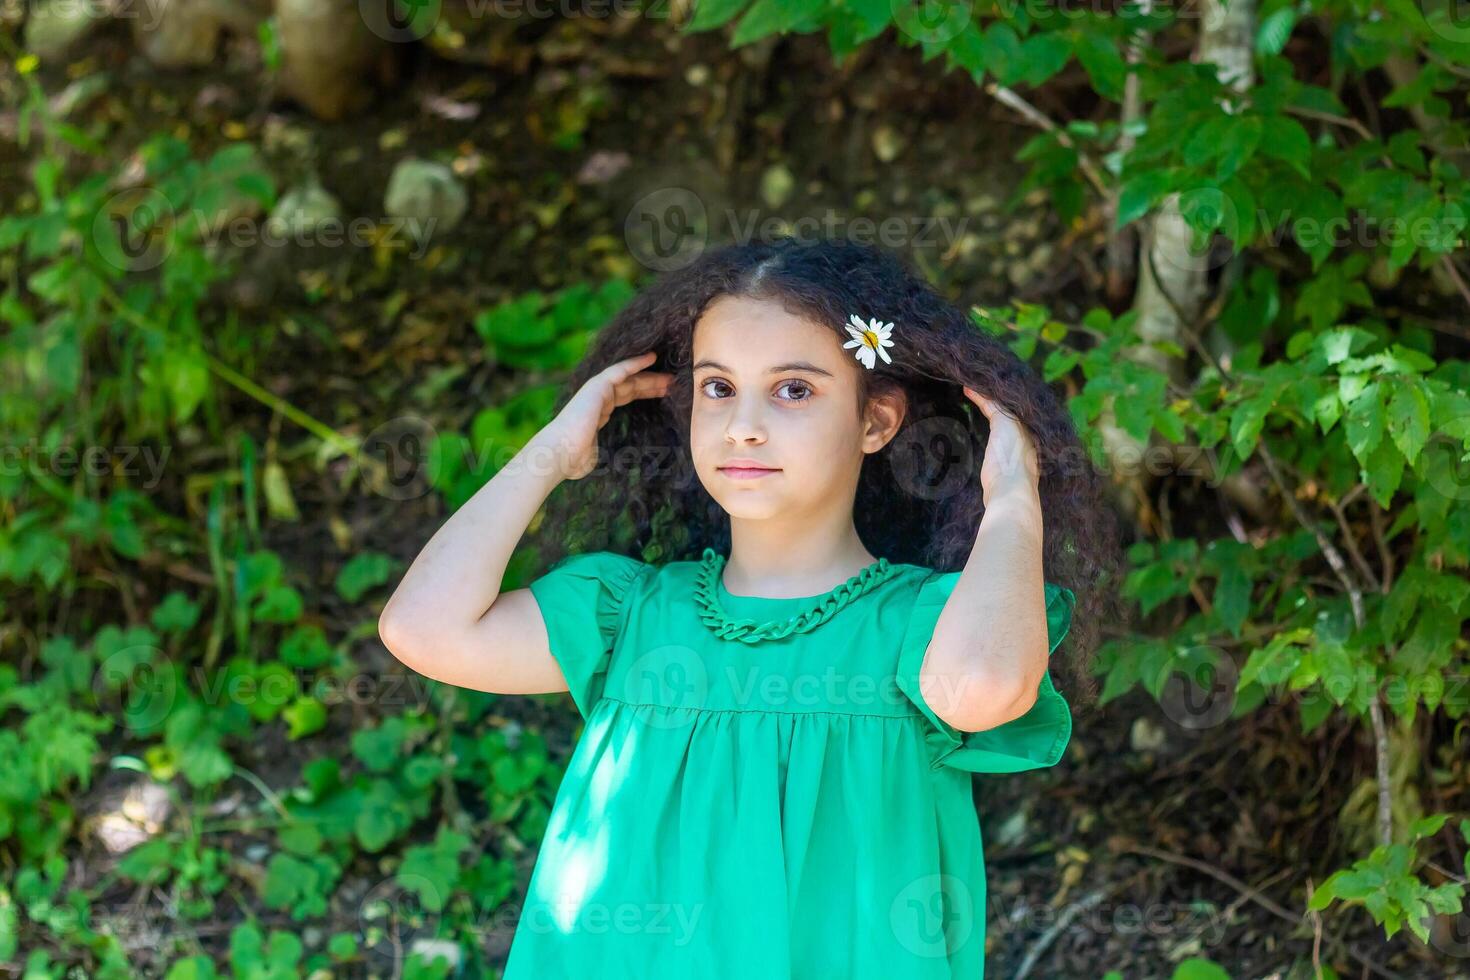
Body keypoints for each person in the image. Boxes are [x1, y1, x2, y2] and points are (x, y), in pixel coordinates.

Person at [379, 236, 1119, 978]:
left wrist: (1015, 500)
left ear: (876, 421)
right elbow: (423, 628)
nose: (744, 425)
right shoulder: (629, 616)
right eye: (718, 387)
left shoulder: (922, 627)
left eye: (794, 389)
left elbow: (988, 688)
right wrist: (552, 453)